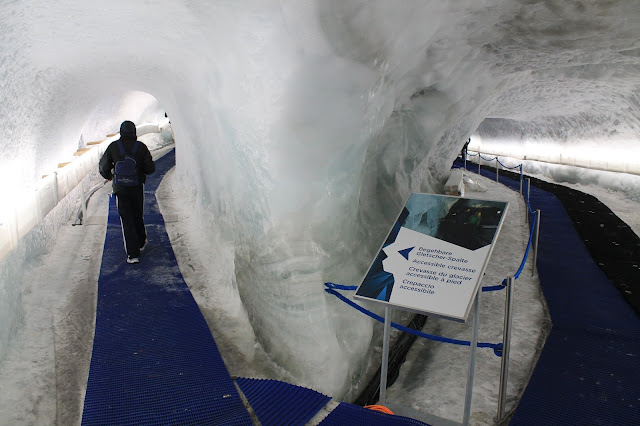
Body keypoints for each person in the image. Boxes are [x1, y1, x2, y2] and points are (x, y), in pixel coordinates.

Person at [99, 120, 155, 264]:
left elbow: (103, 166)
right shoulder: (140, 147)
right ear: (134, 132)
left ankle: (133, 254)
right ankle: (141, 242)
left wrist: (110, 176)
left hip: (120, 188)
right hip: (136, 187)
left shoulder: (113, 147)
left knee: (126, 219)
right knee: (137, 214)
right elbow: (150, 168)